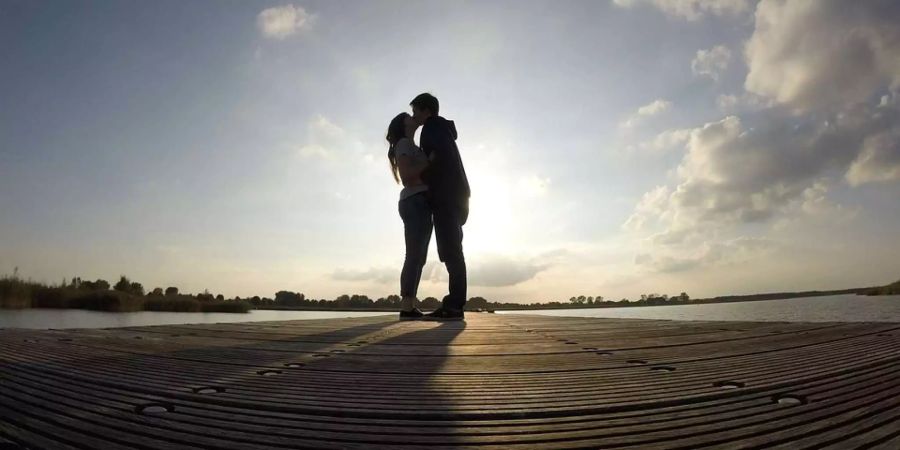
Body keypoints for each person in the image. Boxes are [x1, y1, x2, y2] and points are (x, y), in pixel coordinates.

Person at [410, 93, 470, 321]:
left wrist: (423, 172)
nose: (414, 116)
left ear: (426, 110)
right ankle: (455, 303)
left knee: (451, 251)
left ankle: (454, 305)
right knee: (452, 250)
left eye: (416, 111)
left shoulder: (432, 127)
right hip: (455, 196)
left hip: (446, 197)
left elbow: (438, 158)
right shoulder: (442, 129)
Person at [386, 112, 430, 320]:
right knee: (414, 255)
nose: (413, 117)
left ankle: (410, 305)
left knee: (419, 257)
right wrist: (431, 162)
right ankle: (406, 305)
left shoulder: (412, 145)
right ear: (402, 124)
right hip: (414, 201)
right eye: (408, 116)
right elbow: (406, 177)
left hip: (422, 202)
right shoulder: (404, 143)